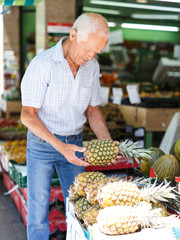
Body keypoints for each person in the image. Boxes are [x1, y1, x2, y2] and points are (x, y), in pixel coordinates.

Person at [21, 12, 121, 240]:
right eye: (88, 49)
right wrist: (59, 146)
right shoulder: (42, 65)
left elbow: (93, 110)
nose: (91, 56)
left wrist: (107, 143)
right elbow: (27, 115)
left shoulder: (92, 67)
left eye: (97, 52)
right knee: (37, 213)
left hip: (75, 144)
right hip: (42, 144)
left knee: (78, 208)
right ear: (73, 35)